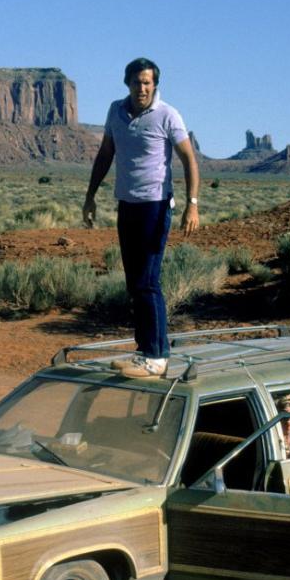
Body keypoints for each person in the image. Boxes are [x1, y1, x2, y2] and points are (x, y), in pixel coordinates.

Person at [83, 57, 201, 378]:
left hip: (156, 205)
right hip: (128, 205)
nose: (142, 88)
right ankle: (144, 350)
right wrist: (90, 196)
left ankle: (157, 356)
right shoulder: (115, 111)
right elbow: (105, 154)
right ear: (128, 84)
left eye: (148, 82)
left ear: (155, 85)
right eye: (137, 82)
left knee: (148, 281)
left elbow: (189, 158)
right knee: (134, 282)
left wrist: (192, 204)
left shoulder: (167, 115)